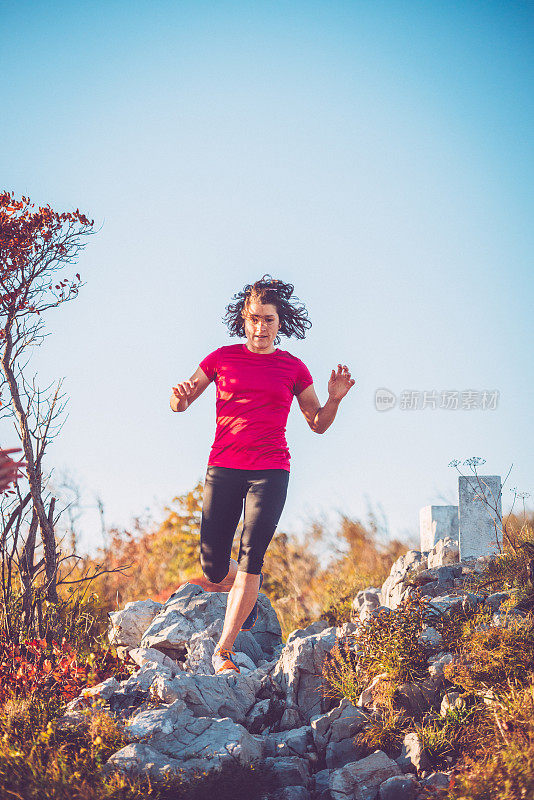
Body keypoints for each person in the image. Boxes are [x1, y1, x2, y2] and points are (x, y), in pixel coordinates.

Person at [170, 276, 355, 675]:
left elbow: (317, 423)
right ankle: (245, 591)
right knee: (213, 566)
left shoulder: (293, 368)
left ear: (279, 321)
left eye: (268, 319)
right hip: (223, 467)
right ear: (244, 318)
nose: (261, 327)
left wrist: (335, 400)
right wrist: (179, 398)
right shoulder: (221, 358)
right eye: (254, 318)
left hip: (271, 470)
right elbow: (180, 403)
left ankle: (224, 651)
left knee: (252, 557)